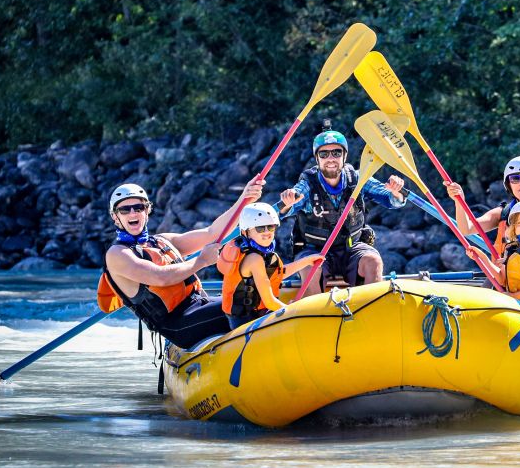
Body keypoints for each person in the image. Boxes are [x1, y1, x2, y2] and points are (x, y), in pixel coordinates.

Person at [96, 177, 264, 349]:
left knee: (258, 292)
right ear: (115, 217)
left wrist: (244, 200)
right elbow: (160, 277)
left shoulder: (162, 241)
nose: (133, 213)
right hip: (178, 325)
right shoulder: (117, 254)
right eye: (125, 210)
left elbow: (212, 233)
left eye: (138, 207)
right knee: (247, 303)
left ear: (147, 211)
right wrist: (202, 261)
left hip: (200, 305)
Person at [279, 127, 407, 296]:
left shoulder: (359, 179)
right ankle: (317, 317)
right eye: (324, 154)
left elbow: (391, 200)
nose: (330, 158)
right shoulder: (307, 183)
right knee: (309, 268)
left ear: (344, 156)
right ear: (317, 158)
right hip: (314, 249)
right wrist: (288, 202)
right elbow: (288, 207)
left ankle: (368, 314)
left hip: (351, 247)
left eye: (336, 153)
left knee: (373, 261)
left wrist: (396, 191)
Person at [217, 202, 324, 330]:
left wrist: (307, 261)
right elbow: (269, 301)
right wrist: (292, 311)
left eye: (271, 227)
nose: (267, 232)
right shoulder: (254, 259)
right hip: (245, 319)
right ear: (246, 232)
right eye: (260, 228)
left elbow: (279, 273)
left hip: (257, 312)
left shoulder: (264, 254)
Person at [445, 155, 520, 258]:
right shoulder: (503, 213)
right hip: (505, 278)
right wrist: (459, 201)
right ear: (509, 184)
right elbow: (466, 229)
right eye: (515, 179)